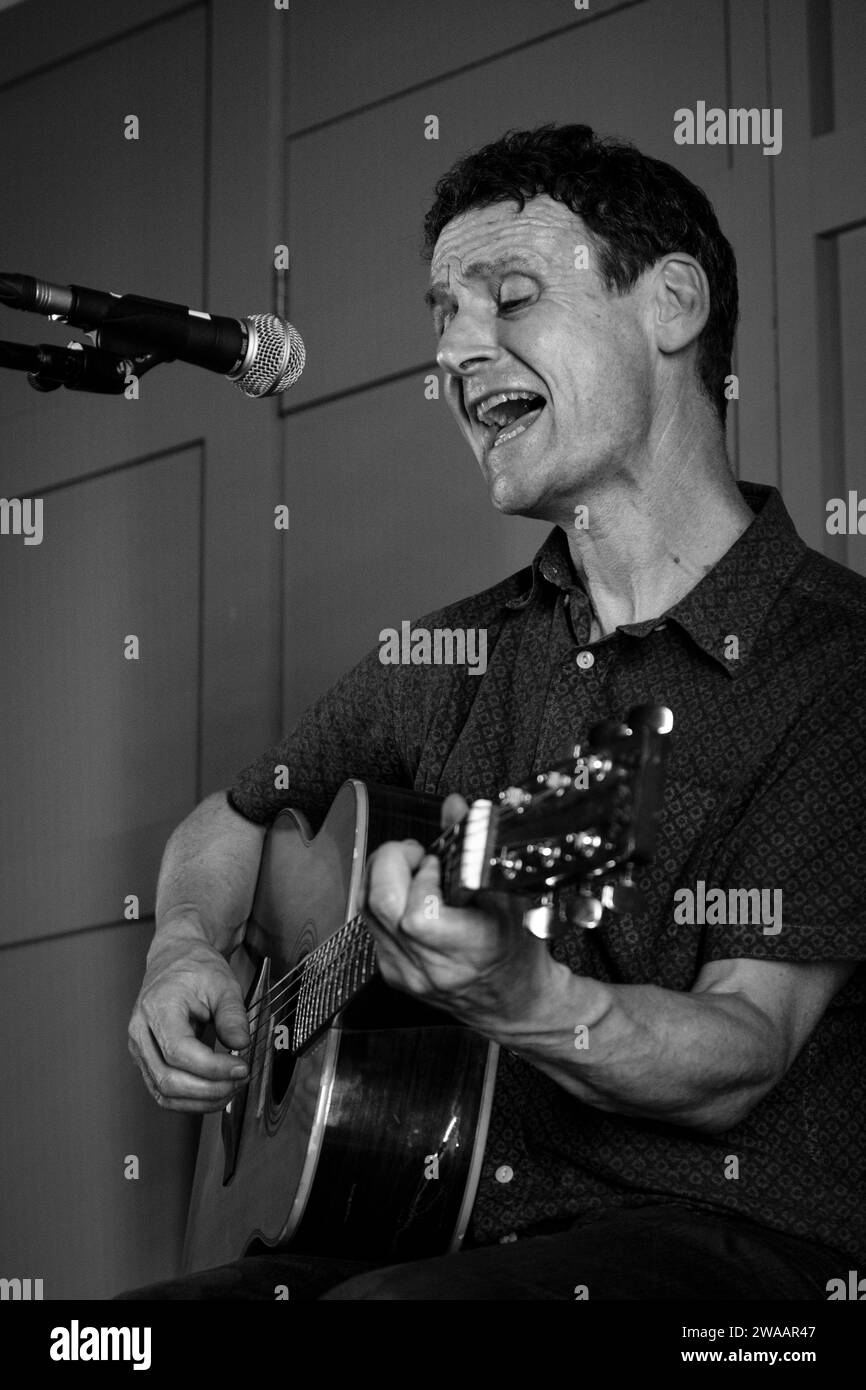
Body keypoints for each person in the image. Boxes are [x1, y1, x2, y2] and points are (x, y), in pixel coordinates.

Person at [122, 124, 866, 1301]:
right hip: (420, 1228)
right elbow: (227, 822)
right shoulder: (448, 655)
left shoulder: (832, 662)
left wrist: (531, 1000)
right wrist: (179, 952)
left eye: (508, 298)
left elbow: (741, 1051)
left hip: (727, 1249)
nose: (457, 352)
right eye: (442, 316)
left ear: (671, 304)